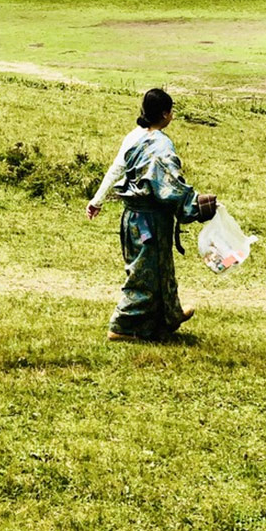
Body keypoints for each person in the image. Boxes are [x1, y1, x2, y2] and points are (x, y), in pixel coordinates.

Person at [87, 88, 217, 342]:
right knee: (144, 273)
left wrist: (97, 200)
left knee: (161, 269)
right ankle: (122, 326)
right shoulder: (161, 146)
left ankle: (168, 316)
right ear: (166, 114)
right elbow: (169, 186)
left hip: (133, 218)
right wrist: (195, 206)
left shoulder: (133, 137)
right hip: (150, 220)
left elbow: (116, 169)